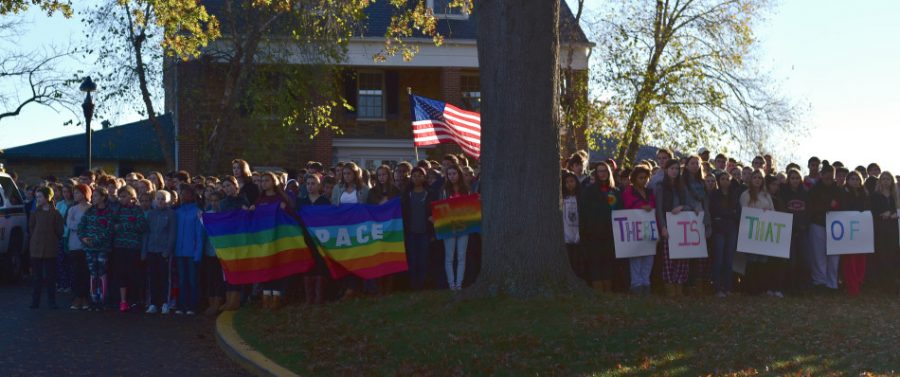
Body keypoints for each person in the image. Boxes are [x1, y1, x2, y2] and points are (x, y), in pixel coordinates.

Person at [254, 172, 296, 309]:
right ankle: (266, 295)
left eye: (266, 180)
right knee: (267, 266)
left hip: (279, 240)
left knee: (278, 266)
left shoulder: (281, 198)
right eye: (261, 180)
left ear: (274, 182)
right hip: (264, 240)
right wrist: (251, 210)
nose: (263, 183)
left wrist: (285, 209)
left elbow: (292, 217)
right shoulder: (259, 199)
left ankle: (277, 296)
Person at [579, 161, 620, 293]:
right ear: (596, 174)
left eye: (605, 171)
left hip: (611, 234)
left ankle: (608, 291)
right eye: (600, 171)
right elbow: (584, 213)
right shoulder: (588, 191)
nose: (602, 174)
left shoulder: (615, 191)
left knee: (609, 262)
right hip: (594, 234)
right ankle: (598, 292)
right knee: (595, 262)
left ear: (609, 173)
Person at [739, 169, 777, 296]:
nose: (757, 180)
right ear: (751, 179)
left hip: (764, 232)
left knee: (763, 260)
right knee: (752, 260)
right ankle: (750, 288)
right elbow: (744, 212)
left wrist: (769, 212)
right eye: (755, 177)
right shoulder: (745, 195)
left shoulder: (766, 195)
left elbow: (773, 211)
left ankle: (761, 287)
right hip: (751, 232)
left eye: (759, 178)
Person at [655, 159, 689, 296]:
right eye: (672, 168)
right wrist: (663, 227)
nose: (674, 171)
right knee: (668, 257)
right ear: (666, 170)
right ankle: (669, 285)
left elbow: (689, 205)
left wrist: (682, 207)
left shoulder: (682, 187)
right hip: (667, 225)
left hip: (681, 227)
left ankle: (679, 283)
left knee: (682, 257)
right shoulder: (660, 186)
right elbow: (658, 208)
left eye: (676, 168)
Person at [111, 186, 148, 312]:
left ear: (132, 197)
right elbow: (112, 225)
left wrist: (123, 226)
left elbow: (141, 226)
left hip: (133, 247)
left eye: (124, 196)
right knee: (121, 275)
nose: (122, 199)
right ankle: (123, 301)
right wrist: (125, 226)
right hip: (119, 246)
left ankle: (135, 300)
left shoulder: (137, 210)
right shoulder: (117, 210)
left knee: (133, 275)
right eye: (120, 196)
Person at [78, 187, 114, 311]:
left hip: (102, 248)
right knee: (93, 272)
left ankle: (103, 300)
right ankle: (94, 299)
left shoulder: (109, 212)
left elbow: (109, 230)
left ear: (103, 197)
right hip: (89, 249)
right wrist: (83, 238)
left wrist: (95, 241)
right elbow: (81, 227)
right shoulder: (89, 211)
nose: (93, 198)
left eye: (96, 196)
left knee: (102, 272)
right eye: (93, 196)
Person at [28, 187, 64, 309]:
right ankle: (35, 301)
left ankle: (51, 301)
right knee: (37, 277)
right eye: (36, 197)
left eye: (40, 196)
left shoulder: (55, 213)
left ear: (47, 197)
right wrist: (36, 239)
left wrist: (52, 238)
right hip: (36, 248)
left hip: (50, 248)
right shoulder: (35, 212)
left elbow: (60, 230)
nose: (38, 199)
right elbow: (31, 227)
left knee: (50, 277)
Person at [807, 164, 842, 292]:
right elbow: (811, 207)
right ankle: (819, 282)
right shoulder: (815, 189)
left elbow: (842, 204)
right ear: (822, 175)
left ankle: (832, 283)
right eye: (826, 178)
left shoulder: (838, 190)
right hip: (818, 224)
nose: (828, 180)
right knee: (818, 254)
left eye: (830, 178)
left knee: (834, 255)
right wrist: (828, 205)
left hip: (834, 226)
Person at [142, 190, 177, 314]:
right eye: (158, 198)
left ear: (168, 201)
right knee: (153, 278)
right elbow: (147, 233)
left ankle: (165, 303)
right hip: (152, 250)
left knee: (165, 278)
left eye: (163, 199)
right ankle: (153, 303)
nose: (160, 201)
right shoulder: (151, 214)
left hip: (164, 251)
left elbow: (172, 234)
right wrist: (144, 251)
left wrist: (167, 251)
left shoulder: (171, 214)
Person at [622, 165, 655, 295]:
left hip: (648, 227)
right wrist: (642, 206)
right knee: (636, 258)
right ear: (634, 179)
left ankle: (646, 284)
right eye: (641, 178)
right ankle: (636, 285)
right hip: (634, 228)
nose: (644, 180)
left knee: (648, 258)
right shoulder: (628, 192)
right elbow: (627, 205)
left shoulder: (650, 192)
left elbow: (654, 209)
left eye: (646, 178)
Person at [298, 174, 331, 303]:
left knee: (320, 265)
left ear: (319, 185)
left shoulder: (324, 201)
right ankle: (309, 298)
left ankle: (319, 297)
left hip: (321, 238)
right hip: (305, 238)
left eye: (313, 183)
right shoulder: (301, 202)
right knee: (308, 265)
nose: (310, 186)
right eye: (308, 184)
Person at [681, 155, 711, 294]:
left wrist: (707, 222)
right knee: (685, 254)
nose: (695, 165)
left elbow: (705, 203)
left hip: (700, 219)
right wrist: (691, 208)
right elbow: (679, 200)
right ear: (686, 165)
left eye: (697, 163)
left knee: (696, 254)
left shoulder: (702, 183)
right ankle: (684, 284)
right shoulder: (682, 182)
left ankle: (693, 284)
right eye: (692, 163)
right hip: (685, 218)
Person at [402, 168, 435, 291]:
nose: (416, 178)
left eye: (420, 175)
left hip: (425, 232)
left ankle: (422, 285)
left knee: (423, 260)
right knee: (412, 260)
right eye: (414, 176)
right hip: (410, 233)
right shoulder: (406, 194)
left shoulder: (431, 193)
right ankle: (413, 286)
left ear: (425, 177)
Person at [174, 184, 204, 315]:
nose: (182, 196)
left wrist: (198, 253)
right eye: (181, 193)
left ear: (191, 196)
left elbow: (200, 235)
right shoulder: (177, 212)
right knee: (182, 280)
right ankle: (182, 305)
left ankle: (193, 305)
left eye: (185, 193)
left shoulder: (197, 212)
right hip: (179, 252)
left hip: (192, 252)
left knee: (193, 280)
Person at [709, 171, 740, 297]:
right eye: (722, 178)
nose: (725, 181)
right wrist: (727, 214)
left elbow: (737, 212)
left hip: (731, 229)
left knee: (729, 259)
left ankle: (727, 287)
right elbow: (715, 210)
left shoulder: (734, 195)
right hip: (719, 230)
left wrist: (726, 214)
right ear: (718, 180)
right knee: (719, 258)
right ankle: (717, 287)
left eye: (727, 179)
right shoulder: (714, 194)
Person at [839, 171, 869, 296]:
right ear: (848, 180)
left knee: (860, 257)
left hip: (860, 229)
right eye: (852, 179)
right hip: (848, 229)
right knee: (849, 259)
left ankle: (859, 281)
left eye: (857, 179)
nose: (855, 181)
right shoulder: (843, 193)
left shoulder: (864, 194)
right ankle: (851, 286)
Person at [441, 164, 470, 291]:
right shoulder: (444, 190)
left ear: (459, 174)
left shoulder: (466, 189)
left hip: (464, 226)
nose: (452, 176)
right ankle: (451, 284)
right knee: (449, 256)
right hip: (448, 226)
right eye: (449, 174)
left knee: (461, 256)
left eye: (454, 173)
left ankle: (459, 284)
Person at [780, 168, 810, 292]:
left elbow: (809, 211)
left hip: (802, 230)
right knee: (791, 260)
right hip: (788, 230)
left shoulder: (805, 193)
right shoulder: (784, 193)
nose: (795, 180)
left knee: (803, 259)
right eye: (792, 178)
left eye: (797, 178)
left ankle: (802, 287)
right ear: (788, 179)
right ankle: (790, 287)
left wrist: (804, 225)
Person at [869, 171, 899, 293]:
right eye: (883, 179)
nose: (886, 181)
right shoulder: (875, 196)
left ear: (892, 181)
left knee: (892, 254)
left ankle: (892, 283)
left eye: (888, 179)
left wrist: (893, 214)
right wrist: (882, 215)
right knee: (882, 255)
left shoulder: (894, 196)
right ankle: (882, 284)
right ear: (880, 181)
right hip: (880, 229)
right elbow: (872, 213)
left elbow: (896, 210)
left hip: (892, 228)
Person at [66, 184, 92, 310]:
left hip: (87, 245)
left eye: (77, 193)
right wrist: (82, 225)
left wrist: (81, 225)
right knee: (76, 272)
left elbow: (92, 224)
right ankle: (77, 297)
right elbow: (70, 224)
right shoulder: (72, 209)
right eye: (74, 193)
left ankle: (85, 296)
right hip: (74, 245)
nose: (75, 195)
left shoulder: (91, 208)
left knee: (86, 272)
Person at [561, 170, 585, 284]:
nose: (569, 184)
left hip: (578, 234)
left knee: (578, 261)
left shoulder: (581, 198)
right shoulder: (562, 199)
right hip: (565, 235)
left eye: (572, 181)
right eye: (567, 182)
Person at [55, 184, 74, 294]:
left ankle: (70, 284)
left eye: (67, 191)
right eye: (64, 191)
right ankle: (63, 283)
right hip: (61, 235)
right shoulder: (60, 204)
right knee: (60, 261)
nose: (66, 194)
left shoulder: (74, 204)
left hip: (70, 236)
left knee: (69, 262)